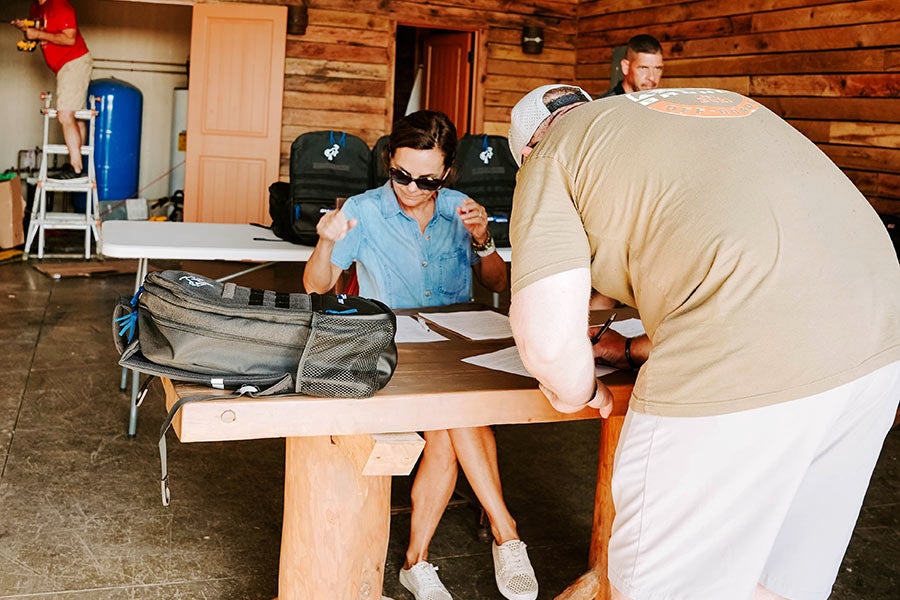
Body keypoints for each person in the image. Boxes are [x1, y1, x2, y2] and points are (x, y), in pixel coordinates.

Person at [505, 84, 900, 600]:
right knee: (776, 582)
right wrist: (625, 350)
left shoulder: (550, 155)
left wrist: (577, 390)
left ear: (526, 151)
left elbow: (548, 344)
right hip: (878, 342)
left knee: (653, 587)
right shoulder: (701, 105)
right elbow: (753, 260)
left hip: (738, 361)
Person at [303, 110, 539, 600]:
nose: (411, 188)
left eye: (426, 180)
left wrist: (483, 239)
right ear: (390, 160)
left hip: (459, 343)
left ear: (447, 173)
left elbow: (497, 283)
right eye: (401, 175)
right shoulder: (364, 211)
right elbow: (316, 287)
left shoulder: (460, 208)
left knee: (449, 430)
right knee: (458, 414)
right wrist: (325, 245)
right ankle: (506, 531)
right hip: (395, 348)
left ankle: (417, 561)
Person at [12, 0, 93, 180]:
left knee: (65, 114)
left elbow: (69, 38)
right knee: (76, 116)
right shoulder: (36, 7)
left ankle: (76, 168)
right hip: (63, 66)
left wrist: (37, 33)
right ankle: (77, 163)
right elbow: (38, 36)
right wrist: (26, 31)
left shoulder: (60, 5)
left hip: (73, 62)